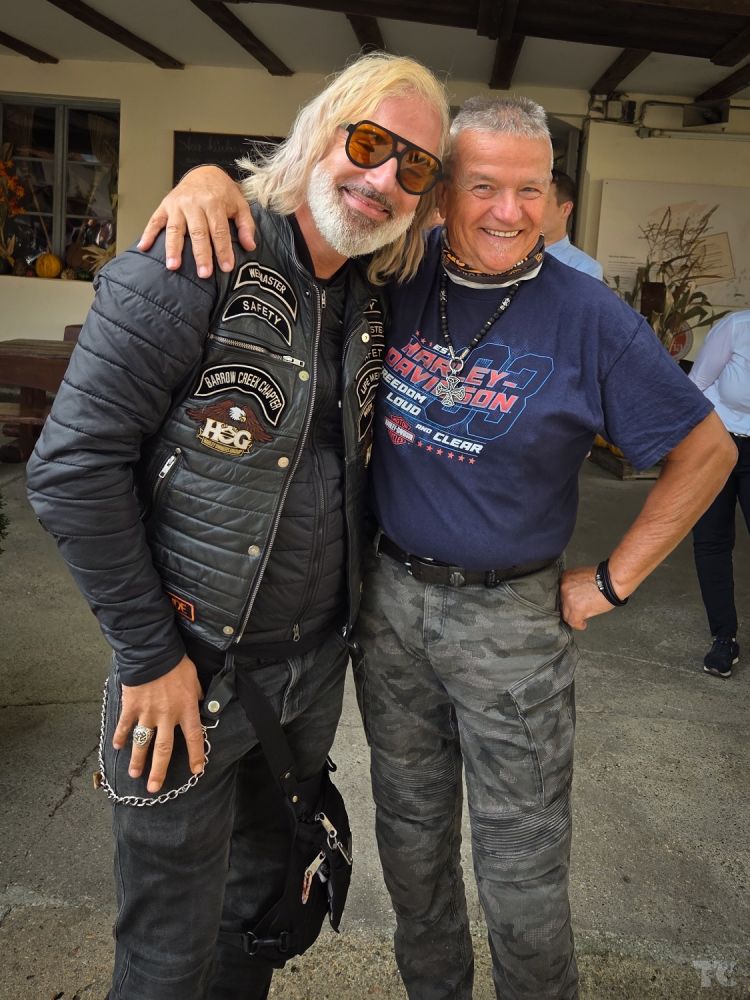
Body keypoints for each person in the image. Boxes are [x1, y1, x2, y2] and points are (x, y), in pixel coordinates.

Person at [138, 95, 736, 1000]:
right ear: (443, 192)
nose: (509, 211)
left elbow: (708, 450)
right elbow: (303, 220)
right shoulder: (392, 272)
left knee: (523, 870)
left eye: (530, 190)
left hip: (514, 624)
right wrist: (207, 181)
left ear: (557, 200)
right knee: (411, 855)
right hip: (390, 609)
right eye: (485, 186)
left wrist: (612, 583)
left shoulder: (589, 316)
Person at [25, 52, 449, 1000]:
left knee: (258, 924)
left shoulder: (372, 294)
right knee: (166, 958)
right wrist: (149, 657)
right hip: (187, 676)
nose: (385, 176)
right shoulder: (192, 257)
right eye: (369, 143)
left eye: (414, 165)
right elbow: (72, 469)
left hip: (308, 678)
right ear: (319, 132)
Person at [689, 310, 750, 677]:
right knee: (711, 540)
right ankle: (724, 637)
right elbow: (695, 385)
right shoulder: (737, 327)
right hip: (717, 439)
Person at [540, 168, 603, 279]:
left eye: (541, 204)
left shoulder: (585, 268)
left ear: (566, 209)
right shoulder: (513, 256)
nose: (531, 211)